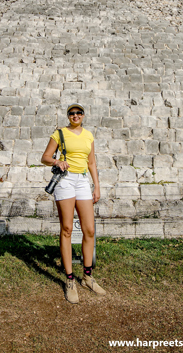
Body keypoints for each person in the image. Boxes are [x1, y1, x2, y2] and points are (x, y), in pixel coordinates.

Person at [41, 103, 106, 304]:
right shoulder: (59, 133)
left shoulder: (88, 135)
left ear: (84, 115)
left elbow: (92, 162)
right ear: (68, 115)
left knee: (89, 230)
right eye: (72, 113)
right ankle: (70, 280)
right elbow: (44, 157)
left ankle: (87, 277)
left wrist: (96, 186)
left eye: (79, 113)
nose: (75, 115)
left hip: (82, 181)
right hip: (65, 181)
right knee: (67, 229)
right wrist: (56, 161)